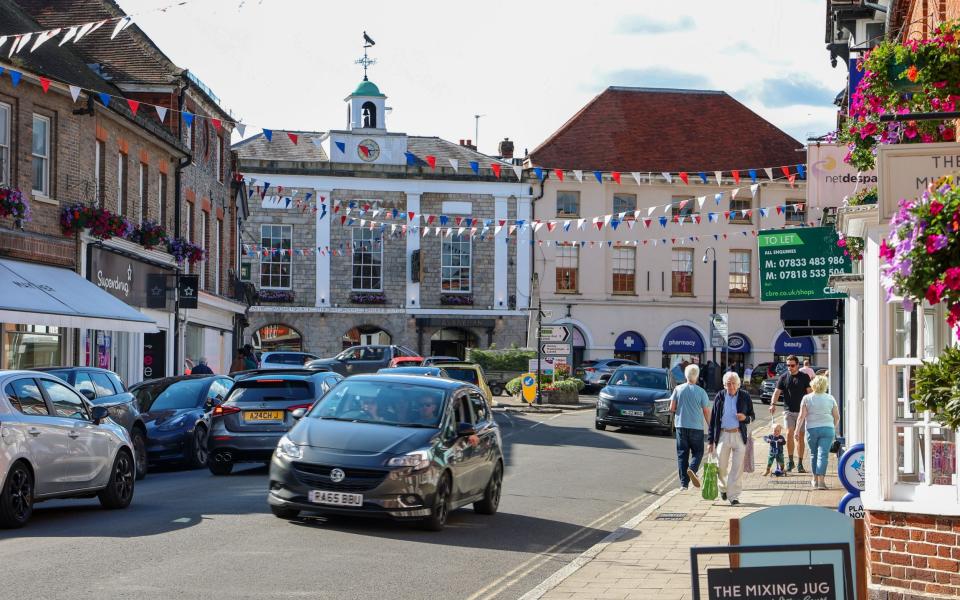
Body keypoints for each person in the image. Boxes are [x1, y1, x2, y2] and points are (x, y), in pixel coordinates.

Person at [707, 371, 755, 505]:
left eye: (734, 383)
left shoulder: (745, 396)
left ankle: (733, 496)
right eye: (728, 384)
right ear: (724, 385)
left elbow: (752, 416)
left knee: (737, 467)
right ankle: (722, 487)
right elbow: (713, 421)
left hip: (739, 435)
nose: (731, 386)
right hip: (723, 435)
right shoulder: (720, 396)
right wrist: (710, 441)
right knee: (721, 466)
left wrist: (745, 418)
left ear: (738, 384)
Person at [669, 364, 712, 490]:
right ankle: (692, 469)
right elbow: (706, 411)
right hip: (696, 427)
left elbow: (672, 408)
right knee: (698, 452)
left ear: (685, 375)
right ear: (697, 376)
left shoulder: (678, 389)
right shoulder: (701, 392)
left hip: (681, 426)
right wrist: (710, 426)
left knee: (682, 454)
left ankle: (684, 484)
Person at [768, 355, 812, 473]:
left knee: (800, 437)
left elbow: (810, 393)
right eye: (788, 365)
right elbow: (777, 392)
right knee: (788, 434)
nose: (790, 368)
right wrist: (773, 404)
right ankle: (790, 461)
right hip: (788, 411)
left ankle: (800, 464)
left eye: (792, 365)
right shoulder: (783, 377)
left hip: (802, 413)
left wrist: (812, 407)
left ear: (798, 365)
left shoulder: (804, 377)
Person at [795, 375, 840, 490]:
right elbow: (837, 417)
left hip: (812, 429)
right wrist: (832, 427)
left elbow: (801, 417)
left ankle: (814, 479)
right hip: (827, 429)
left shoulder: (807, 398)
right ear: (825, 386)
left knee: (814, 454)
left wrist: (796, 431)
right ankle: (821, 482)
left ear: (813, 385)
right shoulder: (830, 398)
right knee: (823, 455)